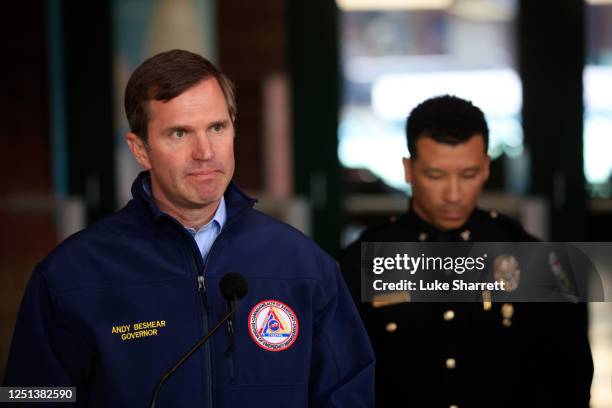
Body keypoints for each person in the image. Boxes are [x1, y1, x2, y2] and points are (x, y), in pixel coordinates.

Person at [4, 49, 375, 407]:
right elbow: (30, 396)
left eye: (217, 127)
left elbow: (348, 392)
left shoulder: (304, 265)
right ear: (140, 150)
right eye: (179, 134)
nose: (205, 152)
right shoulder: (70, 274)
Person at [339, 95, 593, 407]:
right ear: (409, 170)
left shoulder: (534, 260)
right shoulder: (365, 261)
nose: (454, 194)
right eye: (436, 175)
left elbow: (568, 384)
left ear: (486, 167)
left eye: (468, 174)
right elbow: (341, 383)